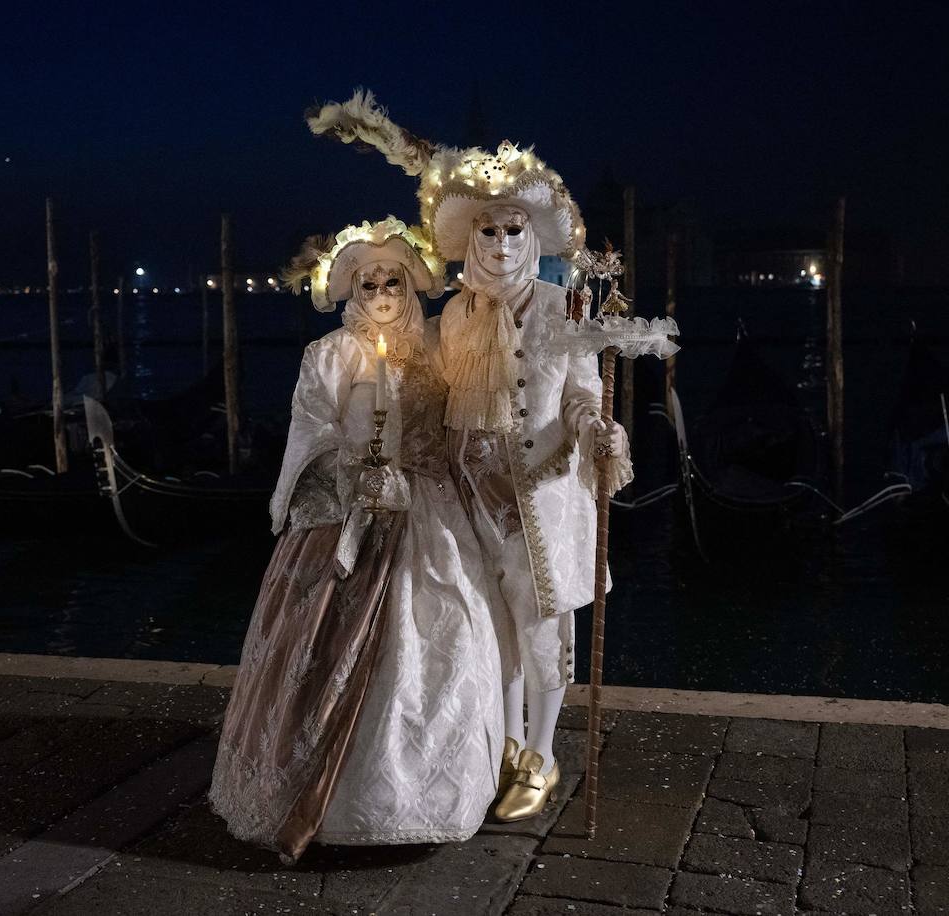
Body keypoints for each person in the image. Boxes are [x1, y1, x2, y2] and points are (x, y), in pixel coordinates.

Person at [306, 96, 631, 822]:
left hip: (542, 496)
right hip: (467, 494)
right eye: (488, 230)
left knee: (542, 624)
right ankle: (506, 748)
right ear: (470, 236)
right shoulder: (451, 313)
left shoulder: (563, 309)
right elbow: (425, 390)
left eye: (515, 230)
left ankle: (543, 757)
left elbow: (581, 397)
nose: (501, 244)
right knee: (491, 627)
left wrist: (600, 436)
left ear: (532, 235)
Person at [207, 217, 503, 862]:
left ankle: (431, 799)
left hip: (432, 513)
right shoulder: (328, 356)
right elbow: (309, 436)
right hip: (348, 516)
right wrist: (357, 474)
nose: (381, 292)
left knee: (446, 636)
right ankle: (332, 805)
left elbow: (467, 421)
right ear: (349, 289)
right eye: (368, 282)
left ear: (411, 283)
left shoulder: (439, 346)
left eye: (392, 280)